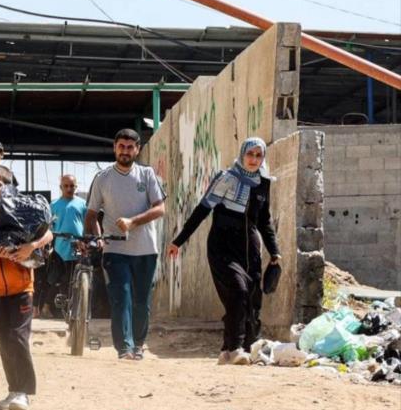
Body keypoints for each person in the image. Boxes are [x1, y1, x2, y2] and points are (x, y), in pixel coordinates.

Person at [168, 137, 280, 366]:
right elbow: (202, 210)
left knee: (251, 299)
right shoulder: (226, 178)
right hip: (222, 244)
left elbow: (264, 220)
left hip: (250, 248)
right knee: (237, 290)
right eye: (250, 154)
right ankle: (236, 347)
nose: (254, 160)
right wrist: (179, 241)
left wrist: (275, 251)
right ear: (242, 154)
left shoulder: (263, 182)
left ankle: (234, 349)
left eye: (259, 155)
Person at [0, 167, 53, 410]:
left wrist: (30, 247)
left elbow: (48, 233)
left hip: (21, 285)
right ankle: (13, 389)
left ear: (9, 186)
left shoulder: (23, 209)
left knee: (17, 336)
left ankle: (24, 392)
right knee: (5, 341)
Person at [85, 129, 166, 360]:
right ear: (114, 147)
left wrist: (133, 221)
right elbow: (91, 214)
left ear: (137, 150)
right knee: (121, 295)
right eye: (121, 146)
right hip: (114, 248)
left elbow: (160, 208)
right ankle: (124, 348)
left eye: (130, 147)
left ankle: (139, 344)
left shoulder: (147, 174)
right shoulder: (103, 178)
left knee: (141, 301)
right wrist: (98, 237)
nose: (125, 151)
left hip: (145, 249)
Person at [46, 175, 87, 318]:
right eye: (66, 186)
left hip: (78, 246)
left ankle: (80, 310)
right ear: (61, 187)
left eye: (72, 186)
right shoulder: (53, 205)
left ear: (76, 187)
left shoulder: (83, 204)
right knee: (61, 279)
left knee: (80, 278)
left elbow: (87, 224)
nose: (69, 188)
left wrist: (87, 240)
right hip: (60, 248)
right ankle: (62, 311)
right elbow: (48, 228)